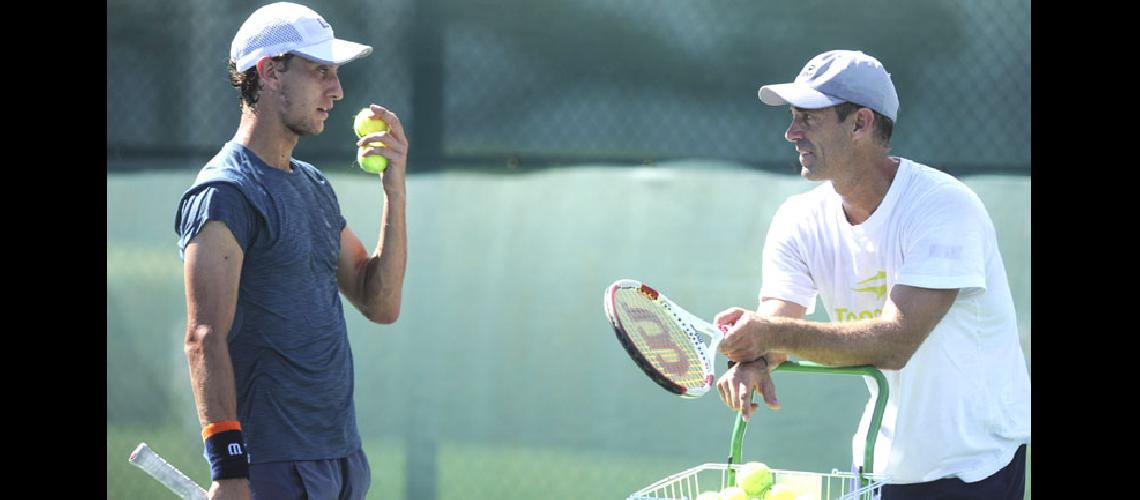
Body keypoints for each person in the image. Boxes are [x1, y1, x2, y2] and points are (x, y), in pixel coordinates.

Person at [713, 50, 1030, 499]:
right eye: (792, 117)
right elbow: (779, 314)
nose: (791, 132)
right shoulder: (797, 219)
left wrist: (770, 335)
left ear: (860, 123)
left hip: (976, 467)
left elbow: (896, 342)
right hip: (883, 467)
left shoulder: (944, 208)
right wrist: (754, 357)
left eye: (809, 119)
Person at [173, 3, 408, 499]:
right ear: (270, 71)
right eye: (319, 71)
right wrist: (229, 471)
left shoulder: (314, 186)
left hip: (342, 459)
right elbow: (203, 338)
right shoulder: (224, 193)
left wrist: (394, 192)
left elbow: (380, 302)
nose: (337, 90)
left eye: (336, 74)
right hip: (272, 468)